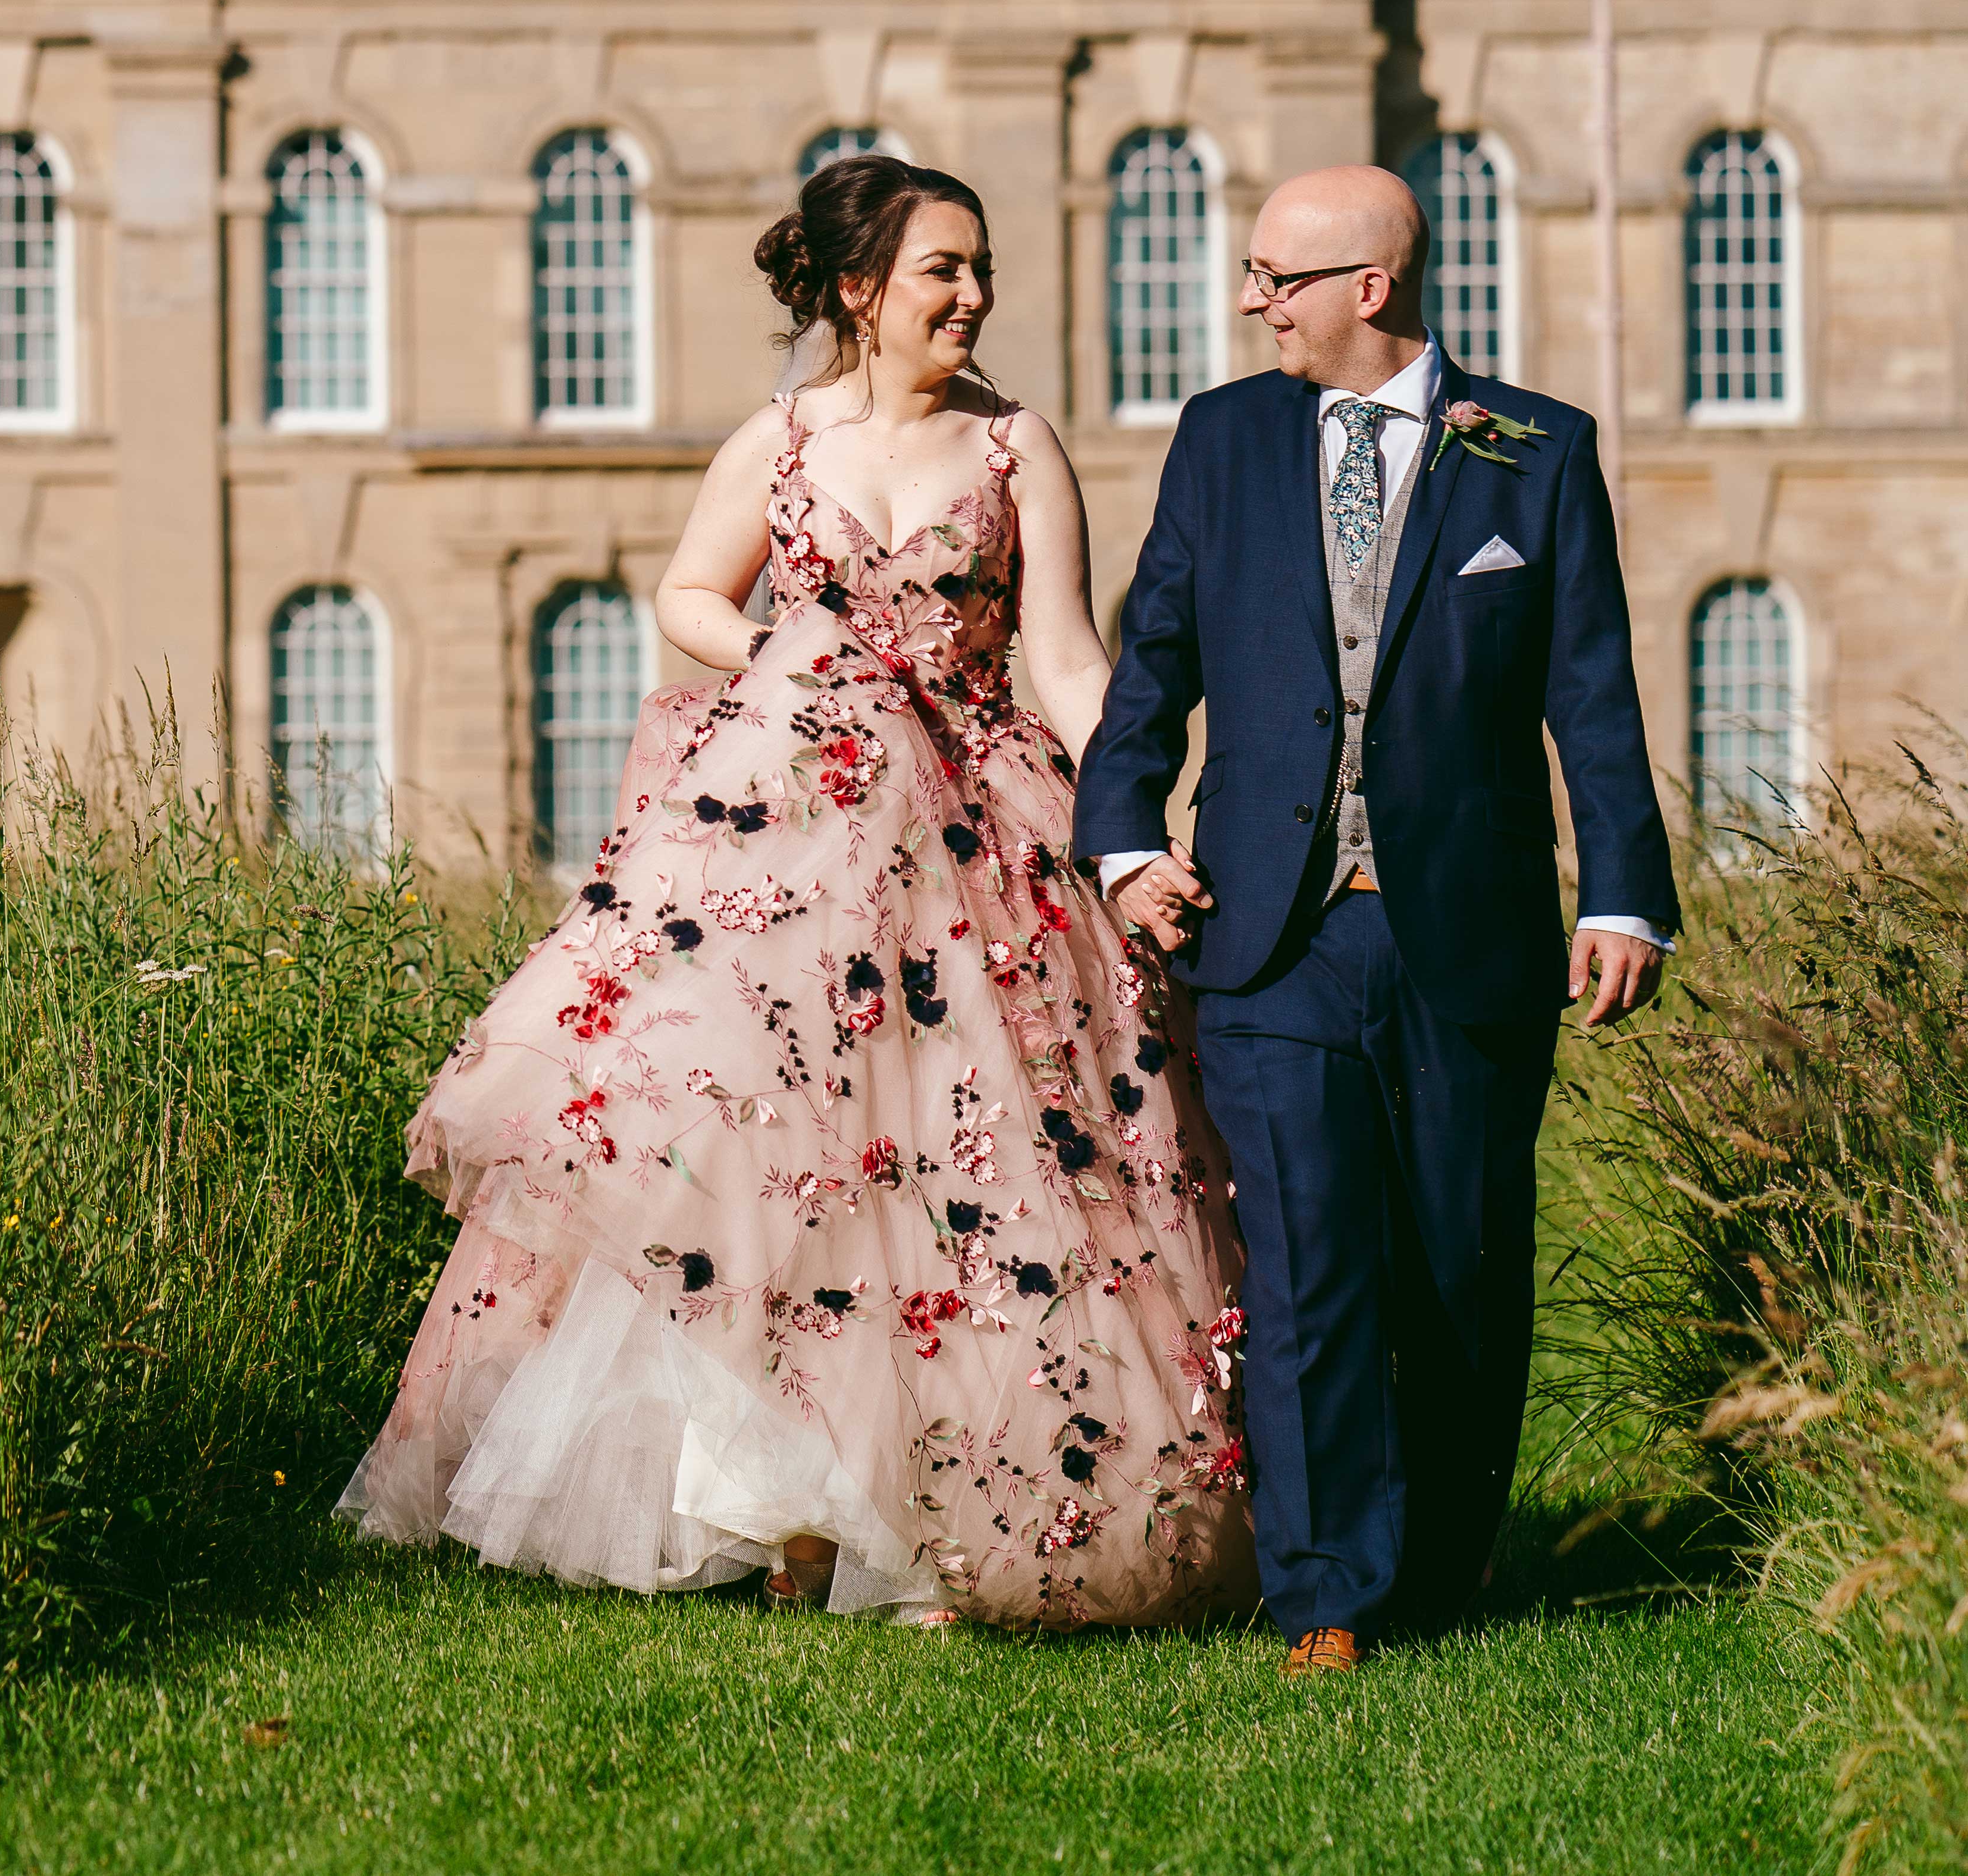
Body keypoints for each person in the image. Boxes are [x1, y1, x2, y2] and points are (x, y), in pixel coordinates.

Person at [340, 154, 1252, 1629]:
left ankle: (946, 1524)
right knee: (782, 1166)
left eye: (980, 266)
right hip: (796, 845)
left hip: (977, 840)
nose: (974, 293)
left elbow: (1067, 654)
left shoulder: (1015, 445)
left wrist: (1130, 823)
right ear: (858, 291)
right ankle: (787, 1510)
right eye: (944, 268)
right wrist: (790, 656)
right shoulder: (775, 443)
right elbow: (688, 594)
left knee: (971, 1168)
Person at [1073, 164, 1678, 1676]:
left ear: (1369, 286)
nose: (1250, 301)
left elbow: (1590, 689)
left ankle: (1446, 1562)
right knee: (1306, 1270)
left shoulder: (1533, 448)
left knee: (1461, 1263)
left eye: (1276, 276)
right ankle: (1327, 1593)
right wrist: (1125, 841)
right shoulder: (1220, 438)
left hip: (1464, 926)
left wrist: (1622, 891)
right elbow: (1154, 660)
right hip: (1266, 929)